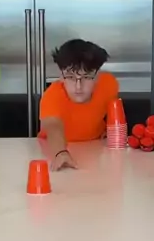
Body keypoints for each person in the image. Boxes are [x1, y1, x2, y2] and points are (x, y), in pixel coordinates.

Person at [39, 38, 119, 171]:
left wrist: (109, 129)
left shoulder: (109, 84)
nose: (78, 86)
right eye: (70, 77)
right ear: (61, 76)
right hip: (54, 149)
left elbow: (112, 109)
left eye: (86, 77)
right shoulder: (51, 96)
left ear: (97, 76)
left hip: (96, 149)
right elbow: (53, 126)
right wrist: (61, 153)